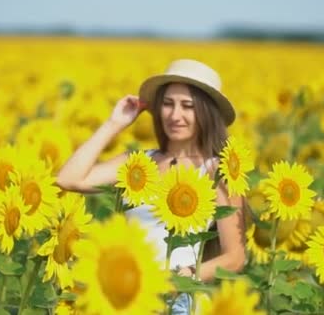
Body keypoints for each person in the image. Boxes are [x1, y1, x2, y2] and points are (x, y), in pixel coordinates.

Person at [56, 58, 246, 290]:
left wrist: (181, 277)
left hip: (177, 298)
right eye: (168, 104)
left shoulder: (216, 171)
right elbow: (69, 179)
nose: (175, 115)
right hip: (126, 293)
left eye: (187, 106)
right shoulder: (137, 164)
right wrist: (114, 123)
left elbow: (234, 257)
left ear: (205, 113)